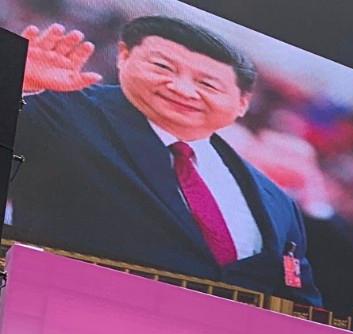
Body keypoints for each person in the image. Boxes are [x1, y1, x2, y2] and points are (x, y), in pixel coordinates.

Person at [11, 18, 321, 305]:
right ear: (123, 56)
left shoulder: (278, 203)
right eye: (163, 67)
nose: (183, 90)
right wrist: (17, 82)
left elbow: (299, 304)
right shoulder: (59, 109)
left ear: (242, 103)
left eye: (208, 84)